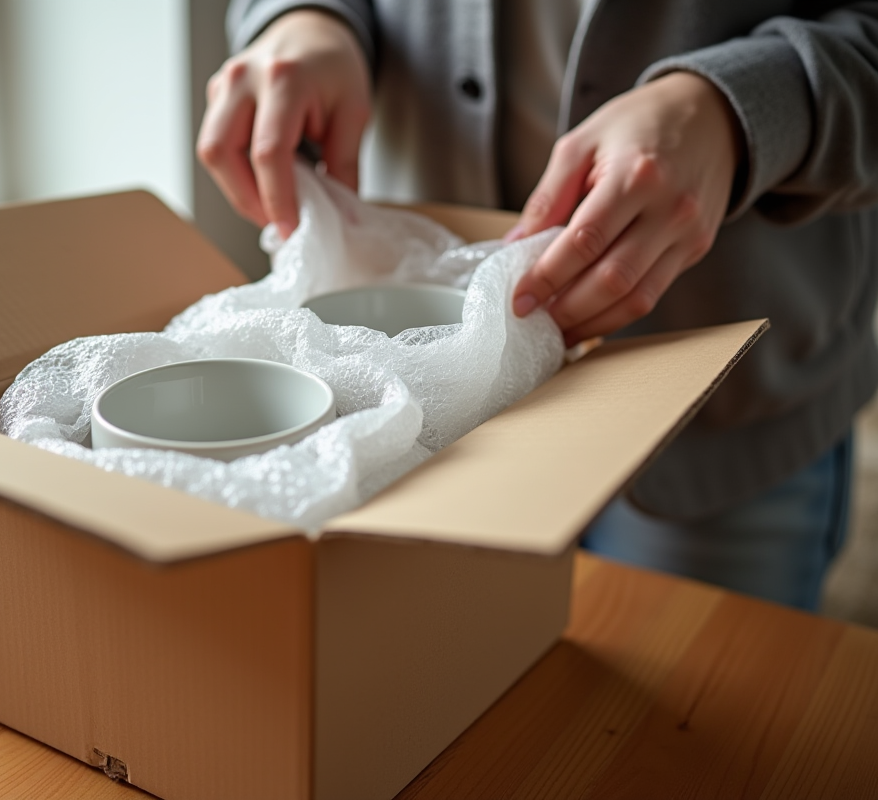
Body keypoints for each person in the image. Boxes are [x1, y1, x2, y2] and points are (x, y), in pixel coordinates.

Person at [197, 1, 878, 610]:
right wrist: (306, 18)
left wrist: (739, 110)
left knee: (707, 721)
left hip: (725, 411)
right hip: (442, 434)